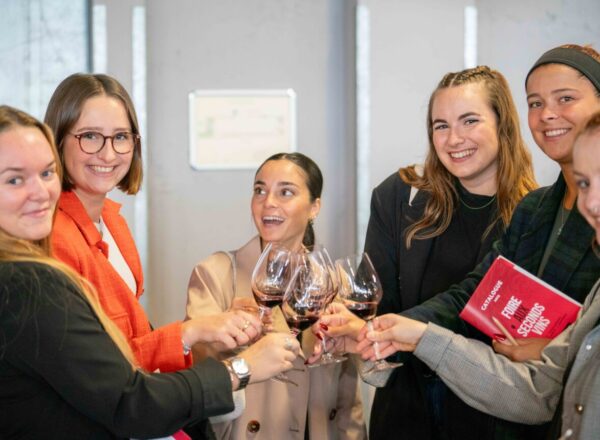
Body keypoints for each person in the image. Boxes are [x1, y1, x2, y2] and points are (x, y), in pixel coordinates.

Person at [317, 44, 600, 440]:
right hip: (421, 409)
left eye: (565, 98)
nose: (548, 114)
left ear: (501, 125)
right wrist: (385, 329)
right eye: (536, 102)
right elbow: (473, 294)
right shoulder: (537, 210)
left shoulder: (522, 203)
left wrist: (552, 352)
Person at [0, 105, 299, 439]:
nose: (41, 193)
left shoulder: (107, 224)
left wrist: (193, 332)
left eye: (46, 173)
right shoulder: (26, 281)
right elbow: (129, 401)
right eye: (14, 179)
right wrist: (243, 367)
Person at [363, 65, 537, 439]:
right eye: (440, 125)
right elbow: (376, 304)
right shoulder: (399, 197)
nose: (454, 138)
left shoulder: (534, 217)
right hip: (405, 415)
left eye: (469, 120)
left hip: (488, 420)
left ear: (502, 125)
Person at [45, 73, 260, 374]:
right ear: (57, 140)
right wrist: (191, 332)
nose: (108, 154)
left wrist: (210, 327)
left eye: (120, 137)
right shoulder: (55, 239)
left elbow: (134, 340)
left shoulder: (111, 219)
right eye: (90, 136)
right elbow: (95, 369)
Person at [186, 152, 366, 439]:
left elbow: (348, 391)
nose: (268, 202)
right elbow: (197, 372)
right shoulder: (216, 274)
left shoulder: (335, 281)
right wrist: (232, 335)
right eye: (260, 190)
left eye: (285, 192)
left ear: (314, 207)